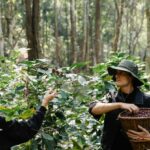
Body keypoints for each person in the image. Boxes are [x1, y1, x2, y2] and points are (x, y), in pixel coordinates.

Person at [89, 60, 150, 150]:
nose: (117, 76)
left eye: (121, 73)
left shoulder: (146, 100)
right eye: (116, 73)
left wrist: (148, 137)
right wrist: (120, 105)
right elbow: (93, 108)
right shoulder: (111, 97)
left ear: (131, 77)